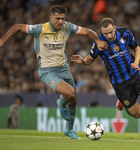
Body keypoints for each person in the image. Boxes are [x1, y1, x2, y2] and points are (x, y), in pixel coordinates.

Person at [0, 5, 108, 139]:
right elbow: (17, 27)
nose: (61, 22)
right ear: (51, 18)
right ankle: (61, 103)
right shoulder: (40, 29)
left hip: (63, 68)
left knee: (74, 99)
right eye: (57, 19)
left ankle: (68, 130)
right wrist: (2, 40)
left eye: (63, 19)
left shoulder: (68, 27)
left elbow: (87, 31)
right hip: (47, 71)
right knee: (70, 93)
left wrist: (97, 40)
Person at [71, 17, 140, 140]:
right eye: (105, 33)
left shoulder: (125, 33)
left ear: (114, 28)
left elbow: (137, 49)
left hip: (134, 74)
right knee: (137, 114)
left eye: (110, 32)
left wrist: (136, 62)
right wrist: (82, 61)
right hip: (119, 83)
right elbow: (89, 60)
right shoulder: (99, 43)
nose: (108, 36)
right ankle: (122, 101)